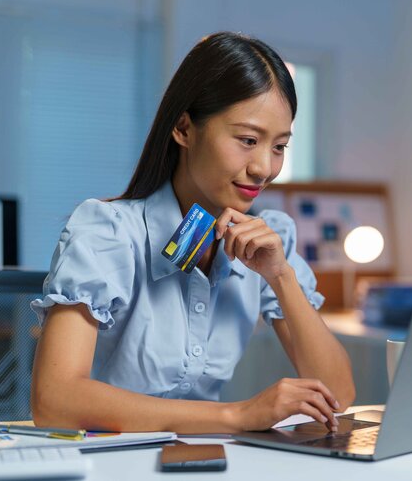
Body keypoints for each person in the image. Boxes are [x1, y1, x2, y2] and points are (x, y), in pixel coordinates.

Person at [30, 32, 355, 434]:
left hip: (205, 461)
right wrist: (237, 416)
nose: (264, 168)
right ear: (184, 128)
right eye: (248, 140)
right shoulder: (107, 232)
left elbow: (338, 396)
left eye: (279, 146)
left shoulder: (272, 240)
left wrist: (281, 276)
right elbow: (55, 401)